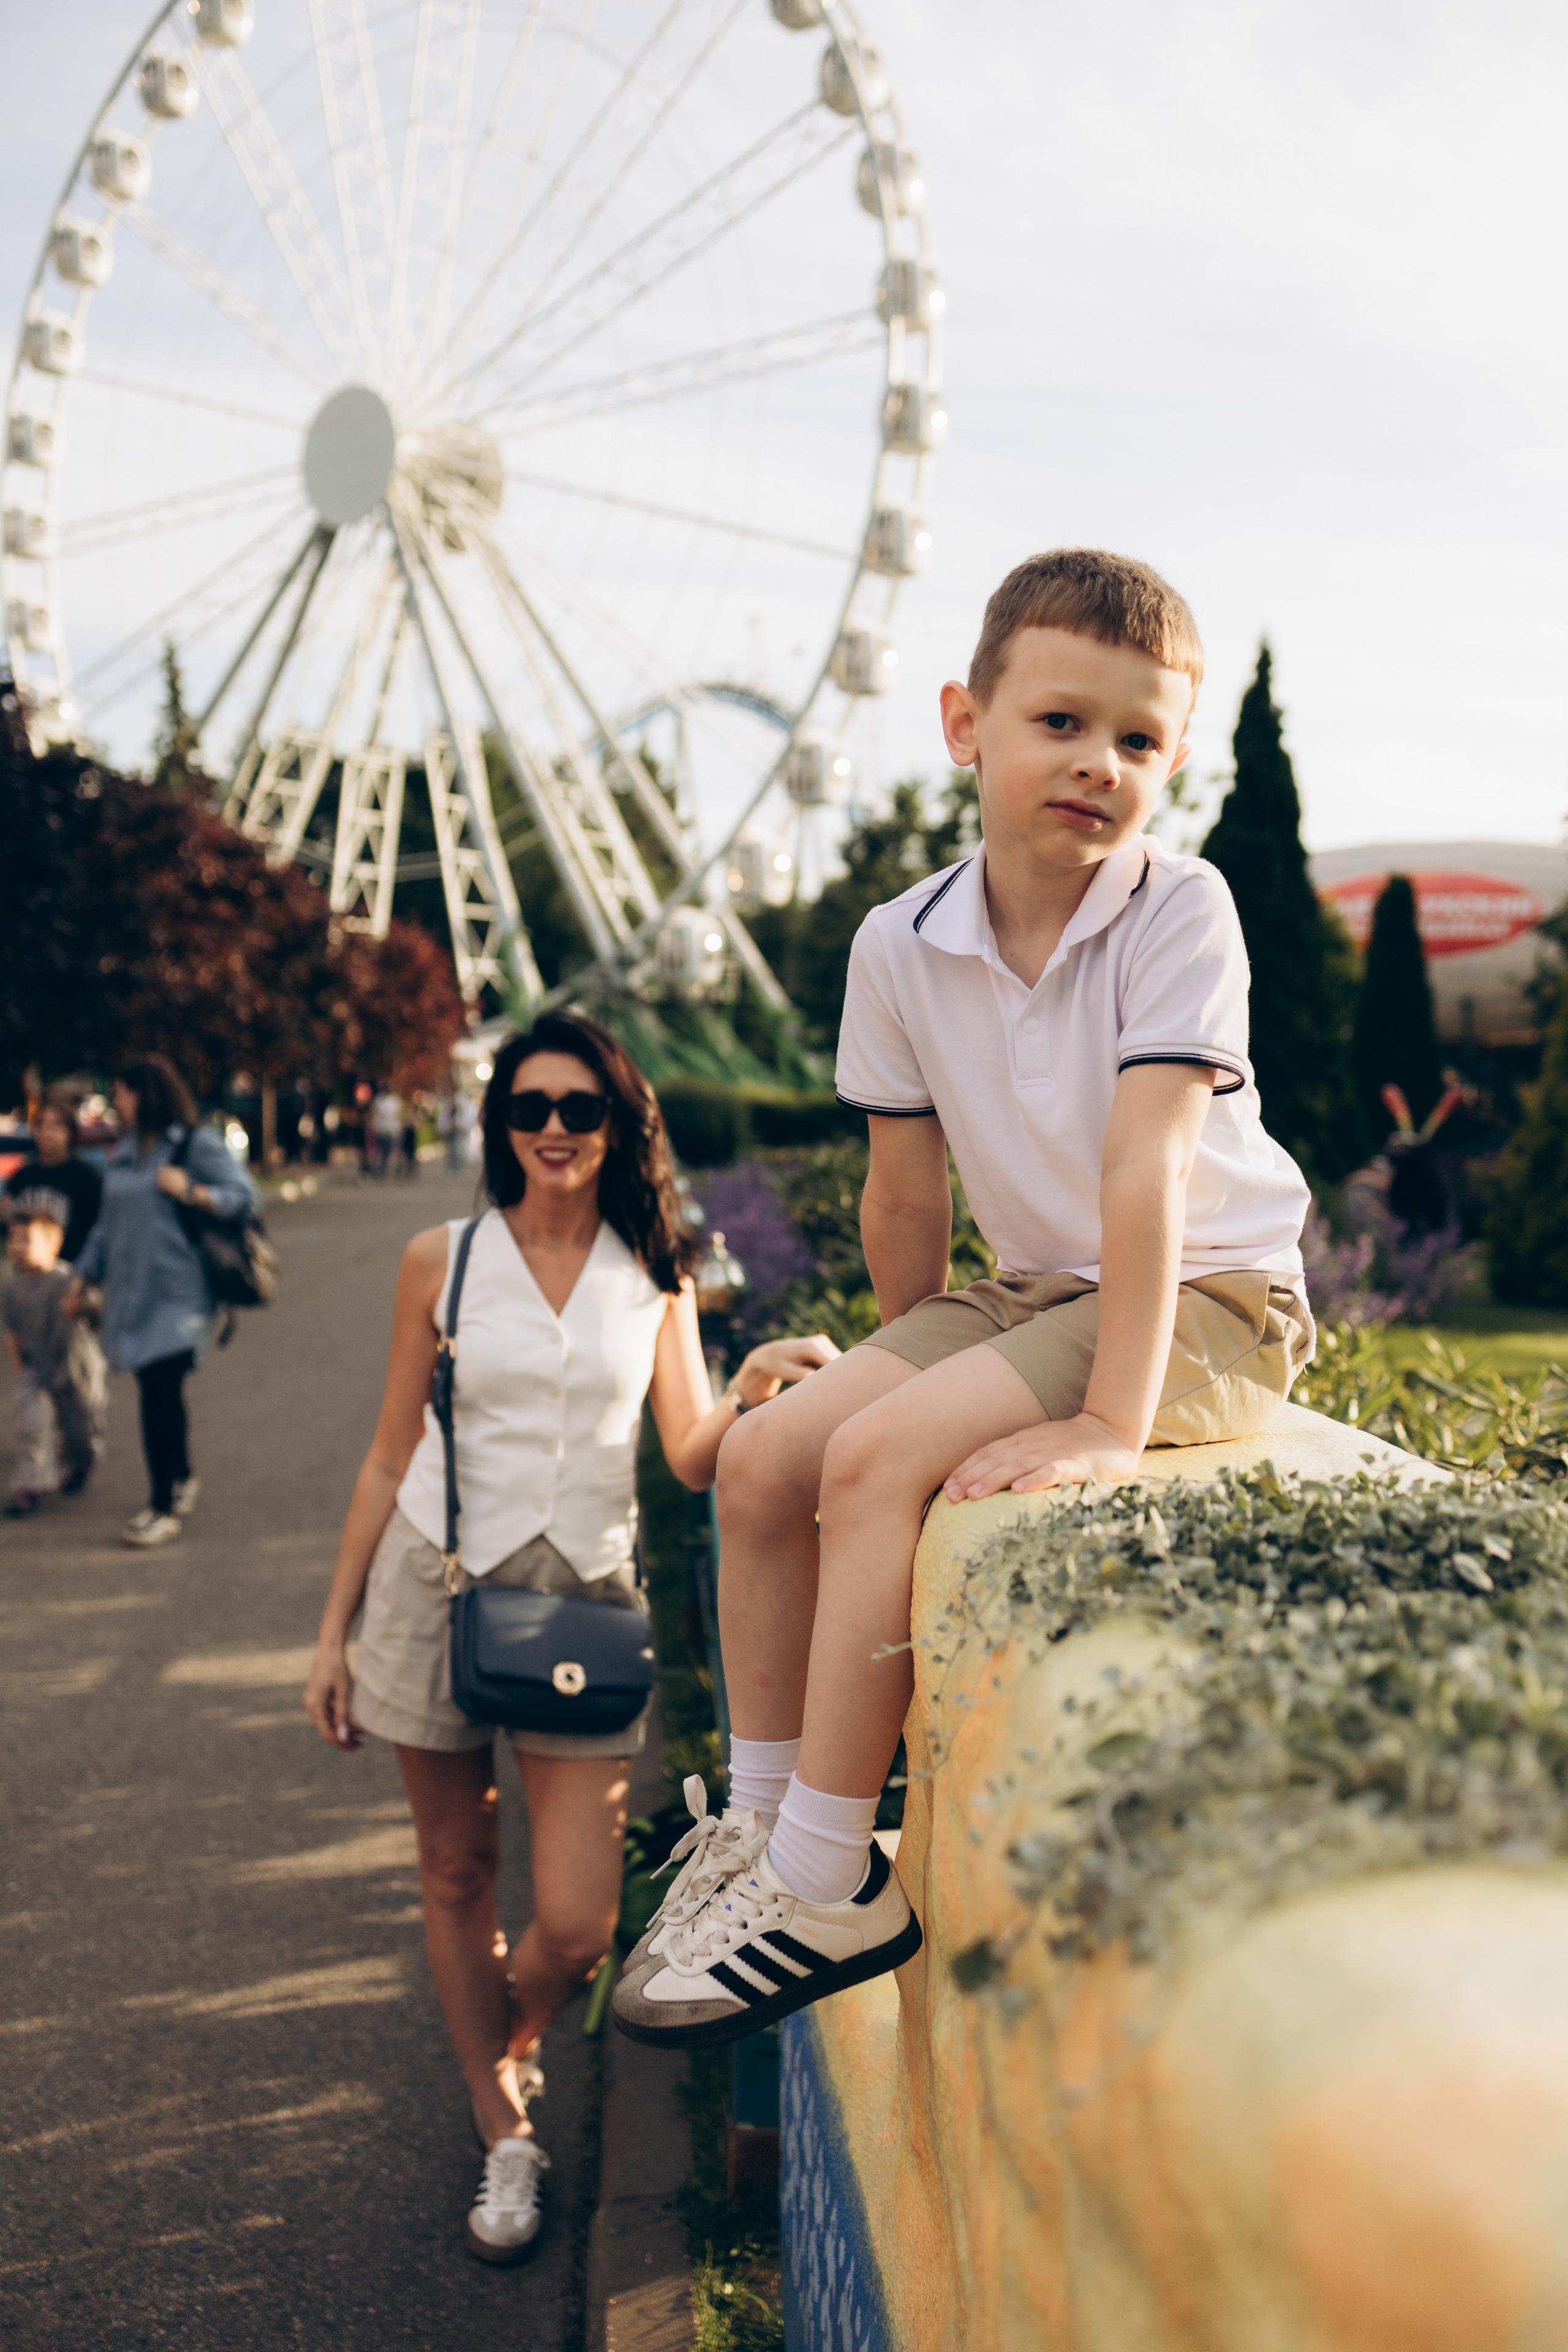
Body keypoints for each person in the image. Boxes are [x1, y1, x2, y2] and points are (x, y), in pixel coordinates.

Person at [611, 548, 1316, 2052]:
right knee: (763, 1457)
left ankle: (826, 1876)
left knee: (872, 1463)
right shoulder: (898, 940)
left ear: (1170, 765)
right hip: (1030, 1285)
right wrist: (893, 1352)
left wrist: (1108, 1424)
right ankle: (752, 1825)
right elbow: (901, 1194)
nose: (1096, 764)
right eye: (1059, 721)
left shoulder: (1177, 907)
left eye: (1135, 741)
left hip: (1210, 1298)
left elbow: (1148, 1175)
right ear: (962, 723)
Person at [303, 1012, 835, 2265]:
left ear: (617, 1126)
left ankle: (510, 2040)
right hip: (427, 1591)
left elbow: (691, 1454)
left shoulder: (651, 1273)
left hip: (583, 1610)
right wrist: (329, 1636)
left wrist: (750, 1373)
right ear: (500, 1126)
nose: (551, 1129)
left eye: (577, 1109)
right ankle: (503, 2129)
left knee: (581, 1924)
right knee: (453, 1871)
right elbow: (389, 1449)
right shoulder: (440, 1260)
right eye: (528, 1108)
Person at [66, 1055, 259, 1550]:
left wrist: (192, 1190)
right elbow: (106, 1228)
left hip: (181, 1292)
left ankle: (161, 1505)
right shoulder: (125, 1151)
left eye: (122, 1093)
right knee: (162, 1389)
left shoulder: (195, 1144)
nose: (117, 1103)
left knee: (158, 1386)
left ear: (146, 1093)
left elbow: (245, 1197)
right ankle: (182, 1475)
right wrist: (82, 1276)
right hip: (135, 1293)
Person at [4, 1205, 106, 1517]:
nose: (18, 1248)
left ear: (53, 1243)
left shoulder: (67, 1280)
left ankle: (80, 1464)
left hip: (76, 1369)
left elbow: (96, 1313)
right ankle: (29, 1486)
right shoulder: (10, 1286)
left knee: (80, 1429)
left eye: (27, 1240)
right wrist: (19, 1364)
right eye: (13, 1240)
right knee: (33, 1426)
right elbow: (11, 1329)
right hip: (37, 1367)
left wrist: (83, 1307)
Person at [3, 1092, 103, 1264]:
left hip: (68, 1267)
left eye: (56, 1126)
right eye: (41, 1125)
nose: (47, 1133)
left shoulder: (85, 1177)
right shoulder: (22, 1177)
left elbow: (96, 1228)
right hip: (27, 1271)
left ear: (70, 1132)